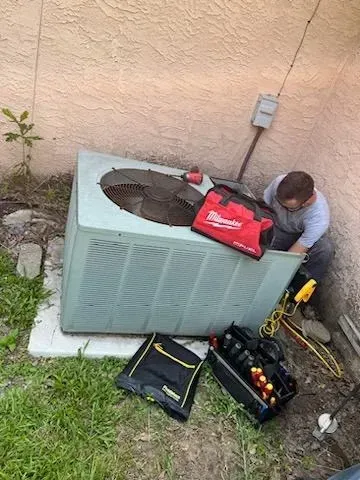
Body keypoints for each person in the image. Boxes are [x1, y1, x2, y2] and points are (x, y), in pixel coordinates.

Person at [264, 171, 333, 283]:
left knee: (325, 248)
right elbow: (263, 209)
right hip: (274, 227)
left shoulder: (319, 216)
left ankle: (300, 290)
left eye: (288, 208)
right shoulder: (279, 182)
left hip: (297, 238)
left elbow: (297, 250)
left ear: (307, 202)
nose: (281, 207)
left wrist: (276, 280)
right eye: (279, 202)